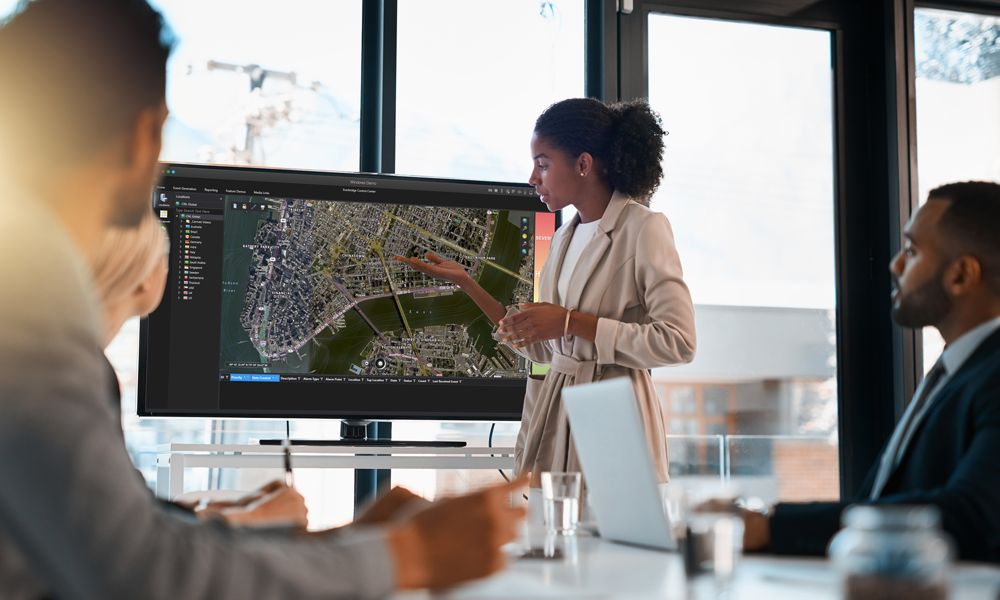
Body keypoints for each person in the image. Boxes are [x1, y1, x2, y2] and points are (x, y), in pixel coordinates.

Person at [0, 1, 524, 598]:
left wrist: (349, 546)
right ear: (141, 136)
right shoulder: (28, 277)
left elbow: (113, 540)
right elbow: (140, 571)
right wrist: (408, 556)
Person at [396, 98, 697, 494]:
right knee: (548, 547)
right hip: (553, 419)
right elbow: (542, 347)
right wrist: (467, 284)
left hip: (614, 425)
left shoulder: (645, 229)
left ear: (584, 164)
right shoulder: (561, 238)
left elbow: (678, 342)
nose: (532, 178)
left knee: (612, 553)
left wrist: (572, 322)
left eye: (543, 163)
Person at [739, 181, 1000, 562]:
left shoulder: (990, 374)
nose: (894, 264)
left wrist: (773, 527)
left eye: (911, 251)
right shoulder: (954, 371)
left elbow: (972, 516)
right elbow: (882, 500)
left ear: (961, 276)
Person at [93, 212, 309, 527]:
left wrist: (236, 512)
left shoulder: (60, 364)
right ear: (145, 279)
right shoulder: (83, 377)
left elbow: (114, 518)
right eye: (164, 257)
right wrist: (257, 518)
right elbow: (123, 538)